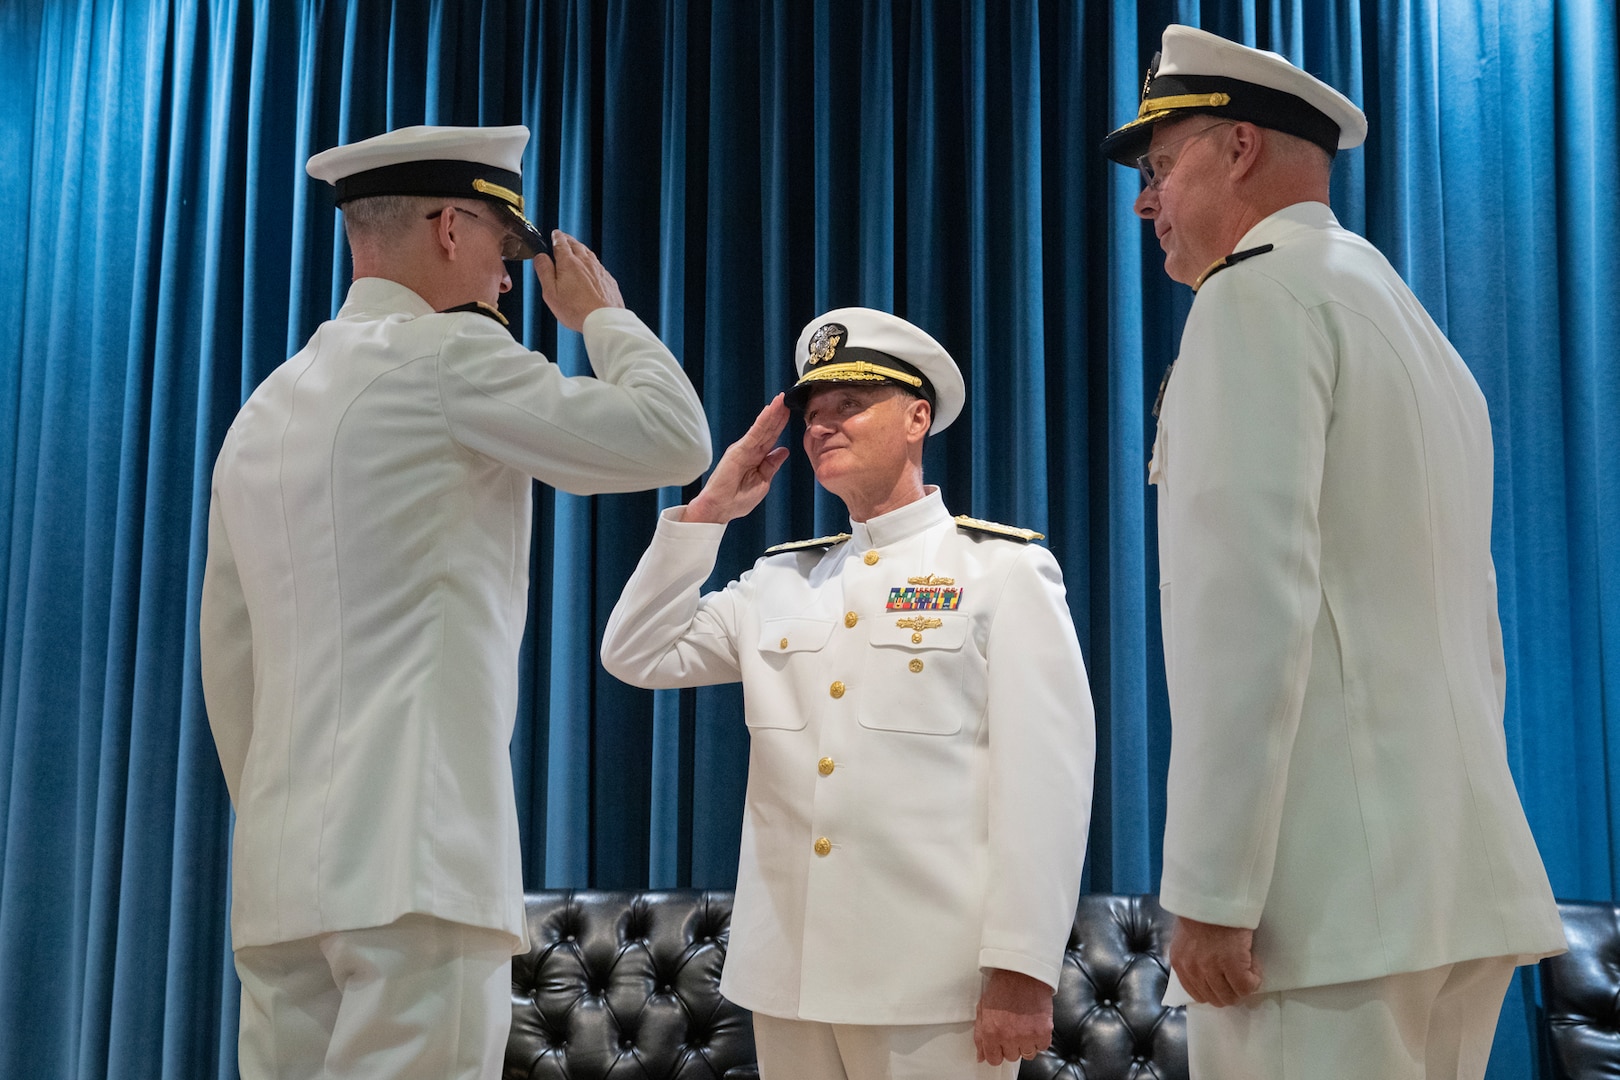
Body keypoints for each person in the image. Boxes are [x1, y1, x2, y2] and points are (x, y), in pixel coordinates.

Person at [199, 124, 712, 1080]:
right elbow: (673, 436)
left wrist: (291, 814)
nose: (511, 280)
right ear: (448, 227)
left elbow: (230, 665)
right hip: (415, 864)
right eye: (503, 249)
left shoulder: (261, 410)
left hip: (279, 879)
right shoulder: (445, 358)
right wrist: (605, 316)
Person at [1102, 24, 1566, 1079]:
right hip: (1446, 880)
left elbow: (1246, 614)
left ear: (1239, 148)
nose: (1146, 202)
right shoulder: (1412, 328)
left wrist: (1217, 892)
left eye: (1161, 168)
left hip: (1319, 908)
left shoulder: (1254, 299)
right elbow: (1476, 628)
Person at [600, 307, 1095, 1079]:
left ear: (916, 418)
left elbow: (1048, 785)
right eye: (813, 413)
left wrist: (1023, 966)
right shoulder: (781, 581)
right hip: (789, 977)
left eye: (849, 405)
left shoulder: (999, 573)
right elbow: (635, 651)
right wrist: (706, 515)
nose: (824, 426)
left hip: (933, 984)